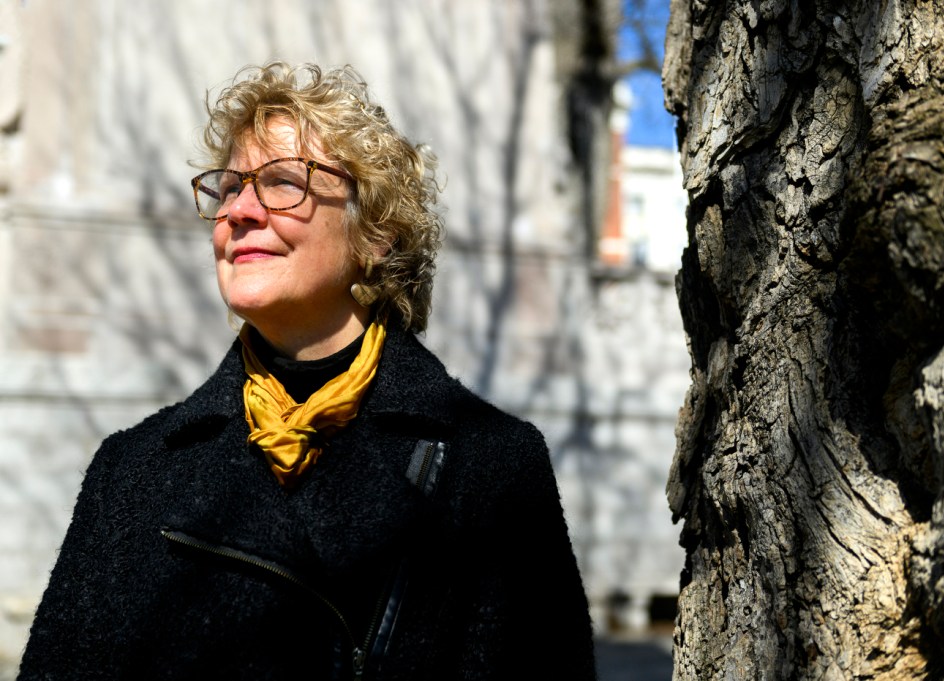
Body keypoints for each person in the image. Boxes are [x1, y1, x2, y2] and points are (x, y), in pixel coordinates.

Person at [18, 62, 595, 681]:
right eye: (229, 187)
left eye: (282, 182)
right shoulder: (131, 472)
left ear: (376, 234)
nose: (238, 211)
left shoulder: (490, 467)